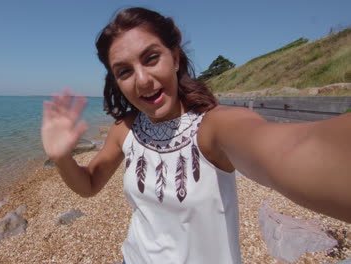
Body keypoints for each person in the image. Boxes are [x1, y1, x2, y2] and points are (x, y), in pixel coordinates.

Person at [41, 7, 351, 263]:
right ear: (117, 82)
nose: (143, 80)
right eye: (124, 71)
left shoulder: (214, 127)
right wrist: (61, 157)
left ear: (174, 58)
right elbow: (89, 184)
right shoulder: (126, 129)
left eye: (151, 58)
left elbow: (292, 149)